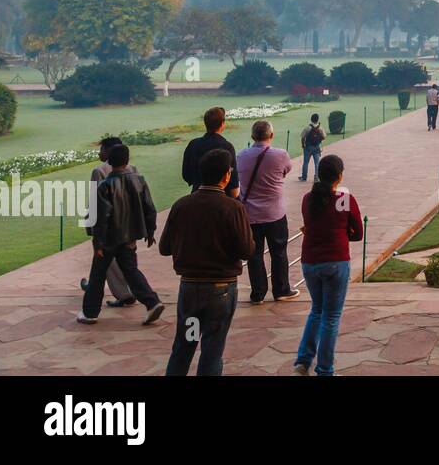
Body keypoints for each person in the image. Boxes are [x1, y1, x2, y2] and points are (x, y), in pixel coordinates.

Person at [161, 148, 255, 376]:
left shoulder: (182, 205)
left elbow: (165, 248)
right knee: (212, 350)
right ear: (226, 176)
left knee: (184, 346)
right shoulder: (232, 208)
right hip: (220, 289)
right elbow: (247, 250)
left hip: (191, 288)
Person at [78, 142, 165, 326]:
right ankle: (152, 302)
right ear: (127, 160)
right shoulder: (139, 180)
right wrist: (150, 232)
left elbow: (102, 218)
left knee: (98, 275)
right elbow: (150, 208)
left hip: (109, 239)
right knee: (131, 271)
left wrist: (98, 244)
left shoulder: (105, 186)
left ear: (109, 160)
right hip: (130, 237)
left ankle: (90, 312)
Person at [294, 154, 363, 375]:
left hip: (310, 262)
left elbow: (313, 223)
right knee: (331, 317)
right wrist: (343, 235)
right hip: (335, 261)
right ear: (339, 176)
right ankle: (324, 369)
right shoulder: (344, 198)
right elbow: (358, 233)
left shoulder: (307, 198)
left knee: (317, 310)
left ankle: (303, 362)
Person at [237, 120, 299, 303]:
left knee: (254, 255)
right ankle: (281, 290)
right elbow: (286, 170)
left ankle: (258, 293)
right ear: (271, 135)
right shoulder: (280, 155)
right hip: (275, 213)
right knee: (278, 252)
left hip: (250, 215)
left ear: (252, 136)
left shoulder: (242, 156)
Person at [78, 136, 136, 308]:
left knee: (107, 260)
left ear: (109, 151)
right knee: (125, 260)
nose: (99, 152)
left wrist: (91, 224)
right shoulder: (132, 168)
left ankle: (124, 294)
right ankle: (98, 286)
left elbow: (96, 201)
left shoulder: (99, 171)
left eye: (102, 149)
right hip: (128, 223)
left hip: (109, 225)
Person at [181, 107, 240, 197]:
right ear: (222, 124)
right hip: (222, 198)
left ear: (205, 124)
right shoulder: (227, 147)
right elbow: (234, 185)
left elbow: (186, 175)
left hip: (197, 195)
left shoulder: (193, 144)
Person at [299, 113, 325, 181]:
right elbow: (324, 137)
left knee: (306, 162)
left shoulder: (308, 128)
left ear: (311, 119)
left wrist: (303, 145)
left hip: (308, 147)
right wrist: (319, 140)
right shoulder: (320, 128)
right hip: (317, 147)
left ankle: (304, 177)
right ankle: (317, 177)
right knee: (317, 163)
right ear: (317, 119)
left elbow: (302, 137)